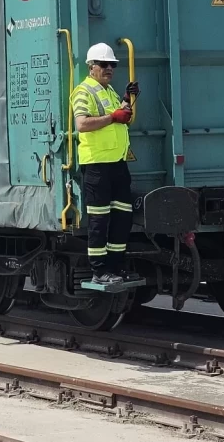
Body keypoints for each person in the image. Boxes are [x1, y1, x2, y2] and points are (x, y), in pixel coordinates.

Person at [71, 42, 140, 285]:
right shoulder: (83, 91)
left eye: (112, 65)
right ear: (91, 67)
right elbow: (82, 124)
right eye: (104, 64)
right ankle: (99, 271)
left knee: (122, 219)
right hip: (97, 166)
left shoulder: (109, 91)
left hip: (117, 164)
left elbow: (120, 117)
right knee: (99, 221)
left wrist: (127, 99)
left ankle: (116, 267)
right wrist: (113, 117)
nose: (109, 68)